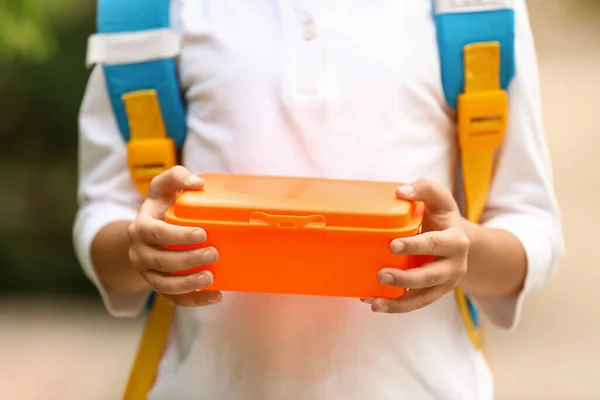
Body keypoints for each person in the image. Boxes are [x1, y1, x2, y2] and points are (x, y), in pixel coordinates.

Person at [73, 0, 564, 399]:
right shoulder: (148, 16)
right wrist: (141, 249)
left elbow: (531, 224)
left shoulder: (478, 14)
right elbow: (104, 215)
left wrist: (461, 250)